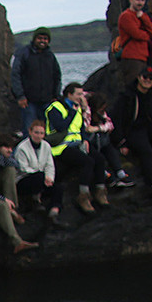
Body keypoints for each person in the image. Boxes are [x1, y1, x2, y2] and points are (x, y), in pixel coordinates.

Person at [43, 82, 104, 210]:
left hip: (77, 144)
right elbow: (61, 126)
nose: (81, 97)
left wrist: (85, 140)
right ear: (69, 94)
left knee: (99, 159)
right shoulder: (55, 107)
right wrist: (71, 112)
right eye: (78, 94)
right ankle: (83, 196)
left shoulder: (77, 108)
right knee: (87, 162)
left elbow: (81, 128)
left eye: (82, 94)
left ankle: (100, 191)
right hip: (61, 147)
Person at [10, 27, 60, 131]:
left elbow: (57, 76)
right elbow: (15, 75)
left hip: (47, 101)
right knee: (29, 130)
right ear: (34, 39)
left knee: (46, 130)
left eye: (45, 39)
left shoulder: (50, 56)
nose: (42, 41)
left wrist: (56, 95)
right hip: (28, 101)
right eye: (40, 38)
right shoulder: (24, 53)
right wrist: (20, 96)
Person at [11, 120, 60, 223]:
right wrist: (42, 176)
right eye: (36, 132)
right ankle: (34, 200)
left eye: (41, 133)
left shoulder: (46, 146)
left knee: (58, 188)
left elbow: (49, 165)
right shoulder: (22, 148)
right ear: (30, 132)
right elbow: (23, 168)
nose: (38, 136)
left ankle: (54, 212)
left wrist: (49, 178)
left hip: (41, 178)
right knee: (39, 177)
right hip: (24, 180)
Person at [113, 0, 152, 85]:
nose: (140, 3)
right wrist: (148, 35)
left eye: (142, 0)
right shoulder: (126, 16)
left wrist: (143, 18)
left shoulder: (143, 16)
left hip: (142, 57)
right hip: (131, 57)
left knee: (141, 86)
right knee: (132, 85)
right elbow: (137, 34)